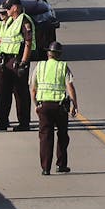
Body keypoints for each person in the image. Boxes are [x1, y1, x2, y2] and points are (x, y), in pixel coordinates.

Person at [0, 0, 35, 132]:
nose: (6, 10)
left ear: (16, 7)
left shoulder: (24, 21)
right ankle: (2, 121)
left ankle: (24, 122)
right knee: (3, 93)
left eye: (8, 7)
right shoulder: (10, 21)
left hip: (17, 60)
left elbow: (28, 42)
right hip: (5, 60)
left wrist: (24, 63)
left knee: (20, 93)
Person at [30, 41, 78, 176]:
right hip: (60, 106)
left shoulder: (40, 66)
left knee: (45, 137)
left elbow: (33, 89)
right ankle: (61, 164)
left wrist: (36, 105)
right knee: (62, 135)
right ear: (59, 54)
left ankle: (45, 168)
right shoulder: (63, 66)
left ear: (48, 54)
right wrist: (74, 104)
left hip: (44, 106)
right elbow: (70, 87)